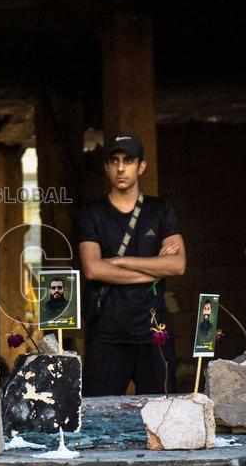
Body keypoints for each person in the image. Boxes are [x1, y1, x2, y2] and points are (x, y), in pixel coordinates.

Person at [78, 133, 185, 396]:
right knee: (96, 420)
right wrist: (153, 271)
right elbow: (93, 269)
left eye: (128, 160)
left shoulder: (160, 210)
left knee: (164, 417)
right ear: (106, 167)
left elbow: (177, 266)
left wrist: (121, 260)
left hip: (154, 333)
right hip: (107, 334)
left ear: (142, 166)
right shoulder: (92, 213)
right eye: (114, 161)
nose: (121, 167)